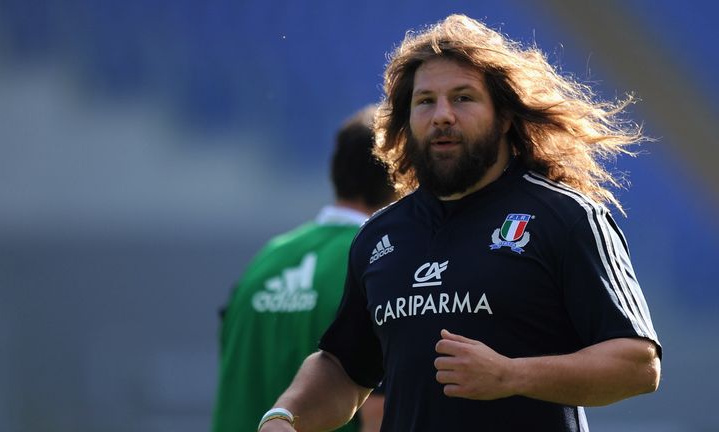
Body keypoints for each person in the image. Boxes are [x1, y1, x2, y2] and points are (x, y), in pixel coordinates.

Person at [258, 13, 662, 432]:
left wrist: (511, 375)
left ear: (504, 117)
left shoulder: (566, 218)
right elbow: (343, 368)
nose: (442, 115)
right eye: (425, 101)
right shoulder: (379, 236)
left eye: (463, 98)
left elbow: (637, 364)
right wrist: (284, 416)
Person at [212, 105, 395, 432]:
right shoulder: (382, 263)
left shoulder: (266, 259)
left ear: (336, 170)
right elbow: (379, 415)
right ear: (401, 173)